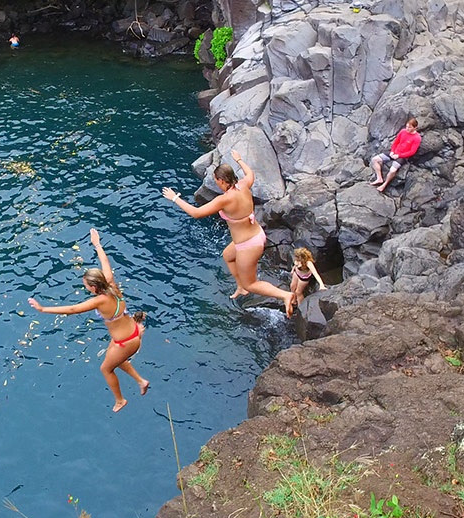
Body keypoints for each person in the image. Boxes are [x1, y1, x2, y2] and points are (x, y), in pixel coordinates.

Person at [28, 228, 150, 413]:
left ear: (93, 287)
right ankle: (141, 381)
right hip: (133, 331)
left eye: (86, 286)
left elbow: (72, 309)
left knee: (106, 369)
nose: (85, 288)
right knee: (115, 358)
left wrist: (43, 308)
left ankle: (120, 400)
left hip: (125, 342)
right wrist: (97, 244)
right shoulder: (111, 284)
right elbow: (106, 262)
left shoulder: (99, 301)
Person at [162, 150, 295, 317]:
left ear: (223, 181)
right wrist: (239, 160)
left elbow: (196, 213)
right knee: (228, 255)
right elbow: (250, 173)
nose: (216, 184)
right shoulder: (244, 185)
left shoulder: (225, 199)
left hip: (249, 245)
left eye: (217, 181)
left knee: (252, 284)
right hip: (255, 234)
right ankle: (240, 286)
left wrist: (175, 198)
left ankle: (285, 295)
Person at [370, 118, 421, 193]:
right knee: (374, 159)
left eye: (409, 127)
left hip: (402, 157)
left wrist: (399, 155)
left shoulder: (417, 138)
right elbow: (396, 142)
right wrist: (392, 151)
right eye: (406, 126)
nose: (407, 129)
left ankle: (384, 184)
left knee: (392, 170)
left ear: (415, 127)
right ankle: (379, 178)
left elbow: (412, 152)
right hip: (394, 152)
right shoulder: (403, 131)